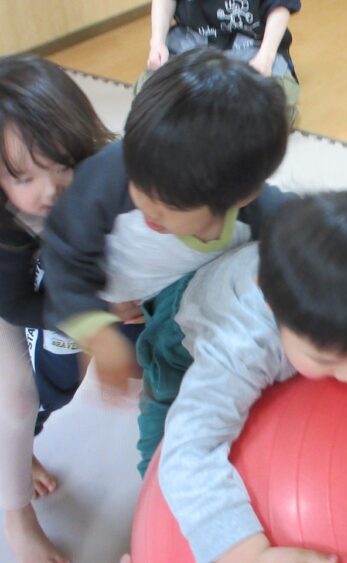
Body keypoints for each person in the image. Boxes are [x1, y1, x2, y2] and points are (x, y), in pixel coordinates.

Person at [136, 191, 347, 562]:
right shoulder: (240, 347)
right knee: (160, 446)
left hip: (266, 271)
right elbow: (188, 451)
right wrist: (247, 554)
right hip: (183, 333)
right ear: (274, 307)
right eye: (326, 359)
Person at [42, 47, 292, 398]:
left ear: (239, 199)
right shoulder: (109, 175)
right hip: (77, 296)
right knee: (55, 378)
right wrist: (94, 326)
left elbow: (310, 228)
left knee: (148, 371)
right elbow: (62, 249)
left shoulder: (257, 213)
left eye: (168, 204)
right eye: (138, 184)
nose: (147, 206)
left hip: (152, 308)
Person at [0, 54, 115, 563]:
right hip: (8, 296)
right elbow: (16, 303)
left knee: (66, 377)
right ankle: (17, 519)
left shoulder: (102, 174)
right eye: (25, 178)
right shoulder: (7, 228)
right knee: (16, 400)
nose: (49, 191)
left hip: (45, 280)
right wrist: (88, 319)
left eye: (62, 166)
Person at [142, 0, 301, 123]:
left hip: (250, 45)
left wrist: (265, 57)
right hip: (193, 42)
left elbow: (280, 6)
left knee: (273, 100)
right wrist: (157, 42)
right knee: (147, 96)